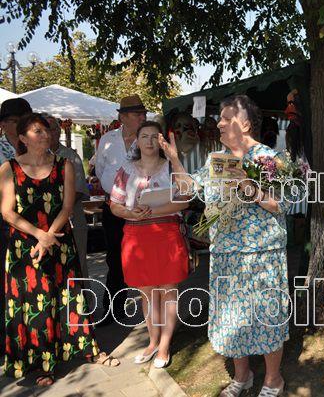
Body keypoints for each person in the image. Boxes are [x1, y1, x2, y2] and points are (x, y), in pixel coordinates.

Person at [161, 95, 290, 397]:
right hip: (226, 256)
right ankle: (243, 377)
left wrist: (249, 185)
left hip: (262, 255)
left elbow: (279, 203)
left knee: (267, 317)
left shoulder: (269, 158)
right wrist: (175, 159)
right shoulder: (217, 160)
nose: (219, 123)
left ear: (244, 123)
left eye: (226, 118)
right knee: (231, 319)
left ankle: (273, 380)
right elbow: (188, 189)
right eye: (220, 118)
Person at [0, 113, 119, 386]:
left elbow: (67, 207)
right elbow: (7, 212)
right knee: (36, 303)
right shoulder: (9, 168)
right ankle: (43, 364)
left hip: (59, 242)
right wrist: (39, 236)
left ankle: (87, 349)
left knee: (69, 297)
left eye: (45, 130)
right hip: (25, 248)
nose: (44, 135)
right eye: (37, 131)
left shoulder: (64, 165)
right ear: (22, 138)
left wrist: (49, 235)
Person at [109, 121, 189, 369]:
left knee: (168, 291)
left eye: (155, 136)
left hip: (166, 234)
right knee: (147, 293)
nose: (150, 141)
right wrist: (130, 213)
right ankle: (153, 341)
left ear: (161, 140)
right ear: (137, 140)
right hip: (136, 236)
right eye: (144, 136)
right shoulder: (126, 170)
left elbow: (185, 199)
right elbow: (114, 204)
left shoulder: (171, 167)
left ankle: (164, 345)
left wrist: (153, 211)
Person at [95, 95, 147, 324]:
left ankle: (151, 310)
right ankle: (113, 309)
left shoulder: (148, 139)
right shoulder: (107, 139)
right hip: (114, 207)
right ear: (123, 117)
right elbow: (100, 170)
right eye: (137, 114)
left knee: (143, 257)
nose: (142, 117)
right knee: (115, 259)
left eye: (143, 113)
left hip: (140, 207)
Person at [0, 97, 33, 361]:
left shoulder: (36, 145)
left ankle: (35, 336)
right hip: (4, 221)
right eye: (12, 120)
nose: (17, 124)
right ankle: (8, 340)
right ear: (3, 124)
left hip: (34, 221)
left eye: (22, 119)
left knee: (31, 282)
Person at [43, 115, 90, 277]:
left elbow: (79, 190)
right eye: (46, 129)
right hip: (44, 222)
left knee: (78, 264)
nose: (51, 133)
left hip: (72, 220)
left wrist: (60, 207)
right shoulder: (33, 158)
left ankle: (84, 293)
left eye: (54, 129)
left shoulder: (71, 156)